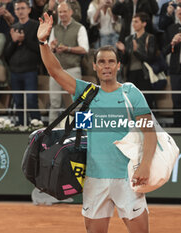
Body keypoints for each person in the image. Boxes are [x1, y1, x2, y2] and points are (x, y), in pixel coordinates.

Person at [38, 12, 157, 233]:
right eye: (101, 62)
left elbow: (150, 132)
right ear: (94, 66)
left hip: (127, 178)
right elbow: (55, 71)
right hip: (94, 179)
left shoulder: (132, 93)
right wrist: (43, 42)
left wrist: (146, 164)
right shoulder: (87, 92)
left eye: (111, 61)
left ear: (118, 66)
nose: (106, 66)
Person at [47, 1, 89, 124]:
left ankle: (82, 132)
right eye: (60, 12)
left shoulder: (80, 28)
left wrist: (67, 49)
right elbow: (49, 49)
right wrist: (53, 47)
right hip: (56, 71)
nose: (62, 14)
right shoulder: (55, 28)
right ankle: (50, 133)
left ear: (71, 12)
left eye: (65, 11)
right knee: (54, 103)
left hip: (73, 69)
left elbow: (84, 49)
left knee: (78, 103)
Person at [4, 0, 41, 125]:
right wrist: (14, 42)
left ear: (29, 9)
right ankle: (21, 125)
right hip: (14, 71)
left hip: (30, 70)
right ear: (14, 11)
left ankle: (37, 125)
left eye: (23, 8)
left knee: (31, 100)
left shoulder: (36, 25)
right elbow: (7, 54)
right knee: (18, 101)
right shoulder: (13, 28)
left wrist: (23, 40)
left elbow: (39, 49)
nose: (20, 11)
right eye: (18, 9)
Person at [116, 12, 156, 108]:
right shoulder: (128, 39)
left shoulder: (149, 38)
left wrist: (136, 51)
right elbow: (124, 61)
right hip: (130, 73)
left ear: (144, 23)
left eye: (136, 22)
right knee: (131, 101)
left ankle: (147, 121)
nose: (133, 24)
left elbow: (150, 58)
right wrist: (124, 51)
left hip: (144, 73)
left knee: (146, 99)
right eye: (133, 22)